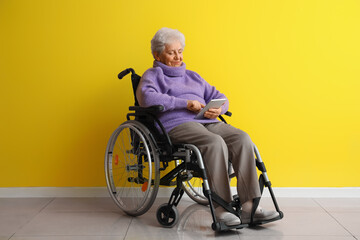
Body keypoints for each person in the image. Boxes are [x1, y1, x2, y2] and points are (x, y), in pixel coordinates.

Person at [136, 27, 279, 226]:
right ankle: (222, 209)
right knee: (214, 142)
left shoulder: (193, 76)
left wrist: (219, 110)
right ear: (157, 55)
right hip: (177, 125)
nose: (177, 56)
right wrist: (184, 103)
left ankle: (249, 208)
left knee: (242, 138)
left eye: (180, 51)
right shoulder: (153, 75)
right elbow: (146, 97)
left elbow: (221, 97)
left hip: (206, 120)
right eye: (171, 52)